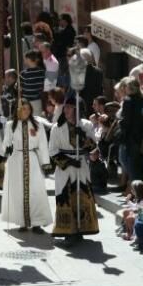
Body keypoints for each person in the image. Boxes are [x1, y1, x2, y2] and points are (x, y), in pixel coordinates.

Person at [48, 98, 99, 244]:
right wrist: (69, 161)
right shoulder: (57, 127)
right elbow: (52, 151)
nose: (67, 110)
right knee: (66, 198)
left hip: (82, 166)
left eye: (70, 107)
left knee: (82, 197)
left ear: (77, 109)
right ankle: (68, 233)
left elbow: (94, 148)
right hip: (65, 169)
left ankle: (80, 229)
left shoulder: (86, 125)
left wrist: (83, 136)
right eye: (66, 107)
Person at [2, 100, 53, 232]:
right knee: (18, 191)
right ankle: (22, 221)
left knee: (35, 190)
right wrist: (6, 149)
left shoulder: (37, 125)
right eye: (23, 108)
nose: (26, 111)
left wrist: (46, 163)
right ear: (17, 110)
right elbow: (5, 143)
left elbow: (42, 144)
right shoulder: (10, 125)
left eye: (28, 109)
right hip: (16, 160)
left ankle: (37, 222)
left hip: (32, 159)